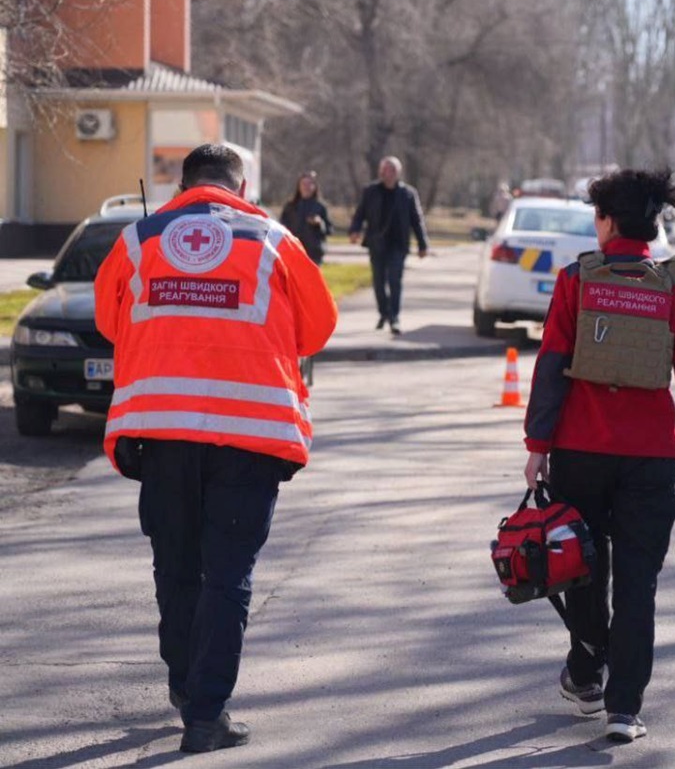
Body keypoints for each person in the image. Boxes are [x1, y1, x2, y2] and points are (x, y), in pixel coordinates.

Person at [93, 144, 338, 753]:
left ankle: (184, 686)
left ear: (184, 185)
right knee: (227, 576)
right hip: (250, 439)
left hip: (163, 433)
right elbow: (318, 327)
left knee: (175, 568)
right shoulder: (274, 240)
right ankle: (206, 714)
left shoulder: (139, 238)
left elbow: (108, 318)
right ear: (242, 185)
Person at [522, 167, 675, 743]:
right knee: (638, 584)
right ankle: (625, 709)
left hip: (579, 453)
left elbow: (551, 366)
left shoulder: (577, 281)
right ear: (655, 222)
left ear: (608, 222)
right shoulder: (674, 286)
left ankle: (587, 673)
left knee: (582, 567)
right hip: (649, 461)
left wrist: (537, 447)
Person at [348, 156, 428, 335]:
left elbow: (417, 220)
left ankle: (394, 318)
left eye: (391, 170)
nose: (387, 174)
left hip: (398, 245)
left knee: (395, 281)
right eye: (384, 170)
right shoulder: (370, 191)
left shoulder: (408, 193)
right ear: (380, 172)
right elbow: (360, 214)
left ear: (398, 173)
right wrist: (354, 230)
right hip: (377, 244)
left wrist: (423, 244)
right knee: (378, 282)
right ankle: (384, 313)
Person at [279, 170, 332, 264]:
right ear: (299, 186)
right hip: (293, 250)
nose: (306, 187)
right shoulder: (290, 206)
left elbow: (329, 230)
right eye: (303, 184)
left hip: (314, 253)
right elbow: (281, 226)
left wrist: (320, 223)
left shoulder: (320, 206)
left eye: (309, 184)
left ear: (315, 187)